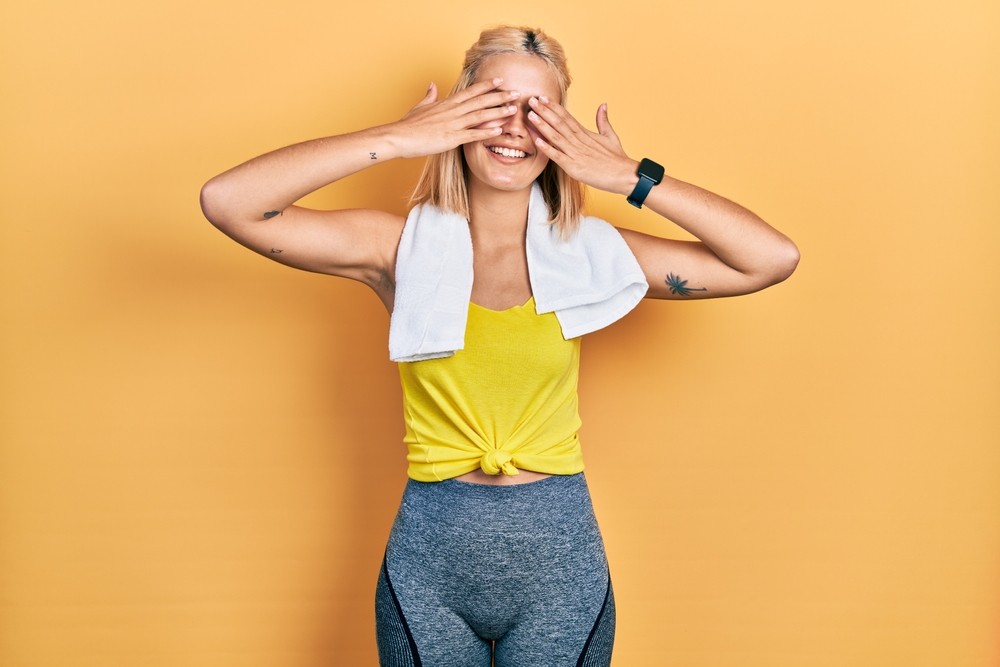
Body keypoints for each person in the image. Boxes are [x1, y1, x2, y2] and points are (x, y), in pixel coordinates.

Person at [200, 25, 798, 667]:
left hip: (559, 571)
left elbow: (769, 259)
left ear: (561, 136)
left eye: (536, 112)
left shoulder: (595, 256)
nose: (513, 128)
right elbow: (228, 202)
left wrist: (629, 176)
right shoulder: (397, 251)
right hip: (429, 568)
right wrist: (401, 138)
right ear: (459, 116)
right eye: (492, 104)